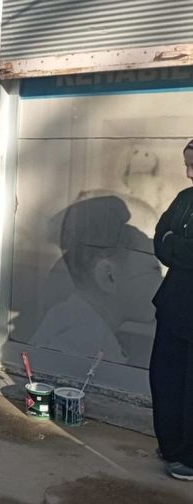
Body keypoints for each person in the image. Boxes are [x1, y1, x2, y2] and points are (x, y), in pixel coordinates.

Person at [31, 193, 161, 364]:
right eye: (154, 270)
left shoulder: (72, 322)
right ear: (108, 277)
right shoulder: (80, 344)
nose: (162, 284)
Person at [150, 139, 193, 481]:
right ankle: (171, 444)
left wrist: (173, 244)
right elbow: (159, 239)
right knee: (165, 379)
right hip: (174, 306)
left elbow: (171, 244)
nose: (188, 171)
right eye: (186, 163)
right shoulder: (185, 199)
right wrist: (174, 245)